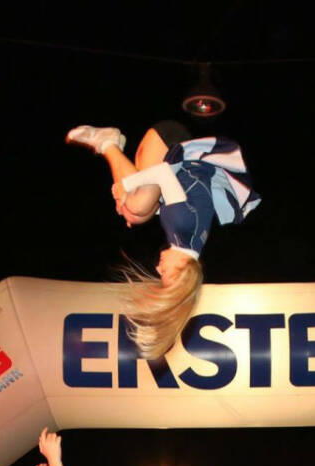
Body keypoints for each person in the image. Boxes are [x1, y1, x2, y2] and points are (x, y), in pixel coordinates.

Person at [65, 120, 258, 358]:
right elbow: (163, 174)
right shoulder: (183, 225)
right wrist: (126, 187)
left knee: (135, 213)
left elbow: (170, 197)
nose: (158, 267)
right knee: (135, 205)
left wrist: (131, 202)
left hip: (168, 152)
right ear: (179, 270)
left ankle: (109, 143)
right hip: (167, 140)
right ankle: (107, 143)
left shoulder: (186, 240)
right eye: (164, 273)